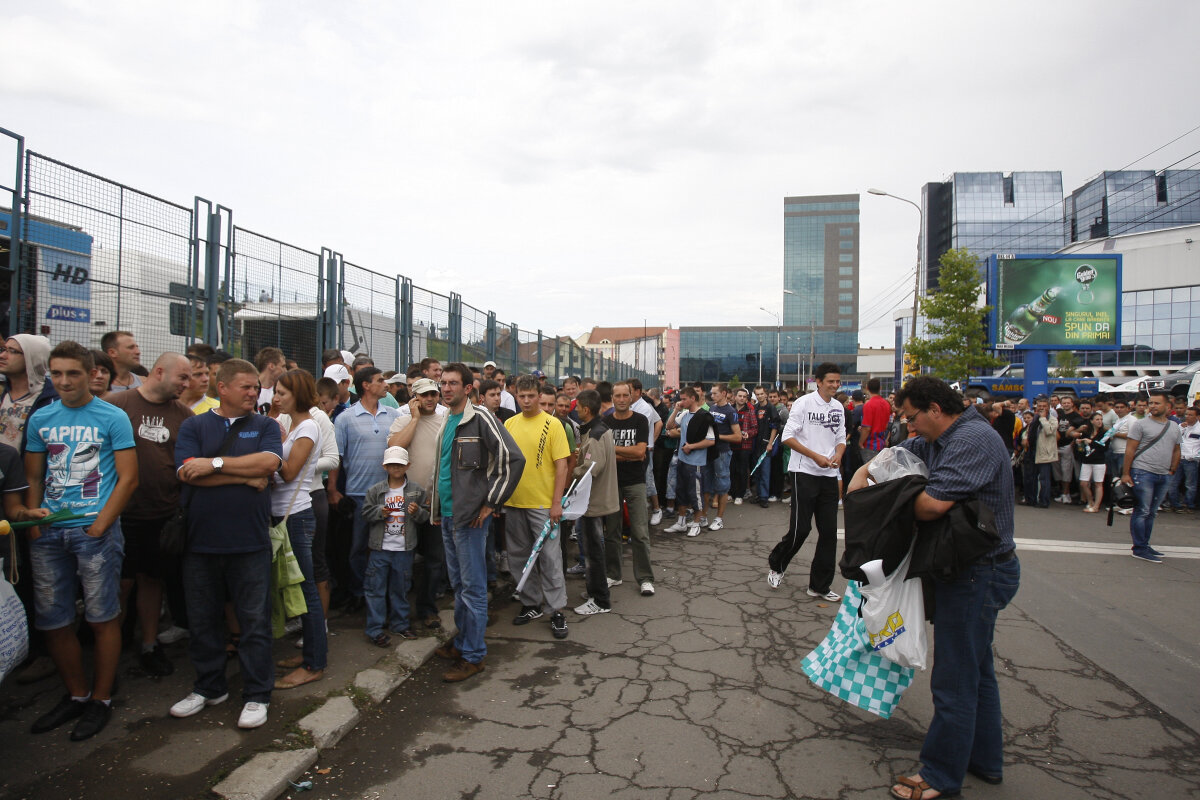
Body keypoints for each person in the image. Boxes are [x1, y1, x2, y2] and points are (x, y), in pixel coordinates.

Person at [847, 376, 1018, 800]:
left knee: (955, 677)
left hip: (980, 572)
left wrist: (885, 493)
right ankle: (983, 761)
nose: (908, 426)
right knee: (977, 671)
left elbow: (929, 505)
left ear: (935, 410)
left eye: (911, 417)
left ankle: (941, 777)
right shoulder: (935, 440)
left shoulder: (973, 439)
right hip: (963, 569)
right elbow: (880, 466)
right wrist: (870, 472)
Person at [24, 341, 138, 741]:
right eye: (56, 374)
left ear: (91, 374)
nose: (64, 381)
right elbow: (34, 476)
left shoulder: (112, 416)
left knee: (102, 615)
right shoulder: (41, 417)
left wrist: (100, 525)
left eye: (73, 373)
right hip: (49, 532)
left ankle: (101, 699)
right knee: (53, 618)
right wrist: (36, 524)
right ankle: (75, 694)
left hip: (95, 531)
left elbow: (128, 478)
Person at [168, 358, 283, 730]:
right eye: (246, 387)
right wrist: (241, 476)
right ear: (224, 387)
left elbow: (267, 465)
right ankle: (208, 687)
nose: (254, 393)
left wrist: (214, 464)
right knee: (203, 621)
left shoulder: (266, 425)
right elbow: (187, 474)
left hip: (249, 541)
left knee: (253, 622)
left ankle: (256, 694)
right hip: (200, 543)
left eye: (255, 387)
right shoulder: (194, 425)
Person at [430, 363, 524, 683]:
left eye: (453, 383)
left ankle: (473, 655)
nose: (445, 388)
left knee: (472, 588)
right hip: (448, 515)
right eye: (443, 383)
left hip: (469, 519)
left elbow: (512, 458)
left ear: (468, 388)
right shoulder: (447, 419)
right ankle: (462, 643)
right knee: (459, 586)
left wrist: (491, 502)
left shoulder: (481, 418)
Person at [106, 352, 193, 677]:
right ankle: (110, 654)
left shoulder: (183, 414)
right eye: (182, 378)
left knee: (152, 581)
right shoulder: (118, 405)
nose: (187, 384)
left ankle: (148, 644)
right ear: (159, 372)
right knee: (121, 584)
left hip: (162, 514)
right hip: (120, 514)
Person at [269, 369, 328, 690]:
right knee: (297, 589)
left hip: (298, 516)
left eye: (282, 393)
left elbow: (290, 473)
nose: (275, 398)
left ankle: (314, 663)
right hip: (284, 515)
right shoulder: (293, 426)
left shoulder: (307, 426)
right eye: (275, 392)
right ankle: (309, 653)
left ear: (298, 394)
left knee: (307, 591)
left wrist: (270, 451)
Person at [766, 362, 844, 599]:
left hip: (829, 475)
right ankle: (777, 563)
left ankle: (819, 586)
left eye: (837, 381)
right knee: (801, 529)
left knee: (829, 533)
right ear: (818, 382)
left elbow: (840, 438)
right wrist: (815, 456)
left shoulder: (839, 407)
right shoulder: (803, 403)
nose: (835, 385)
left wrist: (838, 455)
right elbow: (787, 437)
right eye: (830, 381)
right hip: (804, 473)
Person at [504, 374, 571, 638]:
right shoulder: (509, 424)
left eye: (532, 396)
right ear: (516, 395)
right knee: (519, 557)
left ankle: (557, 610)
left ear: (538, 395)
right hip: (514, 502)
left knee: (550, 558)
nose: (527, 401)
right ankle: (531, 604)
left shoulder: (553, 425)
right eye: (522, 396)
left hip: (543, 505)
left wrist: (556, 503)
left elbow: (562, 465)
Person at [328, 366, 400, 608]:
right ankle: (360, 591)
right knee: (358, 547)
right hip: (359, 494)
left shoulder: (393, 415)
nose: (385, 384)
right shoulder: (345, 419)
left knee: (387, 546)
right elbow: (336, 457)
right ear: (366, 386)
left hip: (388, 494)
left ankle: (381, 593)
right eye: (380, 380)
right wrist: (332, 490)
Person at [386, 377, 448, 630]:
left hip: (434, 502)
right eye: (424, 395)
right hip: (404, 502)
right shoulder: (402, 421)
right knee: (401, 560)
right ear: (415, 397)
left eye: (433, 394)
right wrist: (414, 419)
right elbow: (394, 447)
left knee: (434, 559)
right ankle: (398, 614)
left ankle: (427, 609)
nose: (430, 399)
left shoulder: (446, 422)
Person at [361, 446, 428, 645]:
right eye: (391, 465)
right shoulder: (375, 491)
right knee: (375, 589)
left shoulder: (416, 490)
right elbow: (365, 513)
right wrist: (379, 512)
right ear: (385, 466)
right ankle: (375, 629)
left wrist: (416, 512)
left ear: (407, 465)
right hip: (380, 549)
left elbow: (425, 517)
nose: (396, 468)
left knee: (400, 589)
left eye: (399, 464)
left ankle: (400, 624)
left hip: (404, 550)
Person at [1120, 389, 1182, 564]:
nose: (1152, 406)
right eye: (1151, 403)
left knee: (1152, 512)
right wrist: (1126, 473)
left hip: (1164, 474)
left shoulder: (1174, 426)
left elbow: (1177, 449)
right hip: (1143, 472)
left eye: (1157, 403)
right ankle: (1139, 548)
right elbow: (1130, 449)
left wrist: (1172, 470)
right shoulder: (1140, 425)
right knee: (1143, 510)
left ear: (1167, 406)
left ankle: (1145, 544)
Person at [605, 381, 655, 596]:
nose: (622, 399)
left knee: (640, 532)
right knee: (612, 531)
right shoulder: (605, 422)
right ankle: (613, 575)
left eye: (626, 395)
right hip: (611, 482)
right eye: (618, 396)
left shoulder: (640, 420)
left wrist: (613, 449)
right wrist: (628, 452)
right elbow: (605, 457)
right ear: (613, 397)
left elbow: (640, 453)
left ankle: (645, 578)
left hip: (635, 481)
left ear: (632, 397)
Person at [571, 389, 617, 616]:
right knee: (591, 549)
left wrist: (569, 471)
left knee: (593, 551)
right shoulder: (598, 429)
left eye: (577, 407)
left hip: (593, 501)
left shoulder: (596, 434)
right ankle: (594, 591)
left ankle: (600, 600)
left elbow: (592, 468)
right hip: (592, 500)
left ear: (586, 409)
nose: (575, 410)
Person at [663, 388, 715, 537]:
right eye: (681, 398)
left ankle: (697, 523)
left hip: (696, 462)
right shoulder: (685, 414)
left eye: (684, 399)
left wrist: (691, 446)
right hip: (682, 460)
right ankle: (681, 522)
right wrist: (675, 410)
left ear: (693, 398)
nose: (681, 401)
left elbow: (711, 440)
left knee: (696, 494)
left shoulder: (705, 416)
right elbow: (669, 426)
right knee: (681, 491)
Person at [0, 334, 56, 452]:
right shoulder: (2, 394)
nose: (2, 356)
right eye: (4, 349)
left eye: (12, 351)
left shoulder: (52, 401)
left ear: (32, 358)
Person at [702, 383, 740, 531]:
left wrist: (718, 437)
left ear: (724, 393)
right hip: (709, 451)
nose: (712, 396)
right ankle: (703, 516)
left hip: (722, 453)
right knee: (706, 485)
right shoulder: (712, 408)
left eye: (715, 393)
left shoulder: (731, 412)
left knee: (722, 486)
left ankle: (719, 519)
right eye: (711, 393)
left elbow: (737, 437)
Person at [1168, 405, 1199, 513]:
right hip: (1178, 459)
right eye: (1187, 414)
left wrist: (1195, 457)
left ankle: (1189, 504)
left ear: (1197, 417)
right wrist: (1181, 428)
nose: (1188, 417)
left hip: (1191, 461)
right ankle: (1175, 504)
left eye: (1191, 415)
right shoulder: (1181, 426)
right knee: (1173, 483)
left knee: (1190, 485)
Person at [1077, 411, 1108, 513]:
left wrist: (1092, 442)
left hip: (1099, 461)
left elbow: (1104, 447)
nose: (1099, 421)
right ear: (1092, 421)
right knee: (1083, 483)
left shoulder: (1104, 433)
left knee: (1098, 483)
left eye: (1101, 419)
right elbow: (1081, 447)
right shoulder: (1086, 433)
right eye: (1097, 419)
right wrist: (1080, 443)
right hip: (1087, 460)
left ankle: (1096, 506)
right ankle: (1090, 501)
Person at [730, 388, 757, 505]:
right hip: (731, 445)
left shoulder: (750, 410)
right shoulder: (730, 409)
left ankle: (740, 495)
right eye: (740, 396)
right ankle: (731, 493)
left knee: (742, 471)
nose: (742, 398)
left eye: (744, 397)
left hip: (745, 445)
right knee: (731, 470)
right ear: (735, 397)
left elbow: (755, 428)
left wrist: (748, 434)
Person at [858, 377, 891, 463]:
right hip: (881, 442)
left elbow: (867, 428)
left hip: (870, 443)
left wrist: (861, 442)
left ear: (867, 388)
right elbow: (887, 424)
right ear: (880, 388)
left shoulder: (869, 405)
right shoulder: (886, 404)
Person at [253, 346, 286, 415]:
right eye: (283, 366)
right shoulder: (250, 391)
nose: (286, 371)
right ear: (271, 366)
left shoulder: (282, 391)